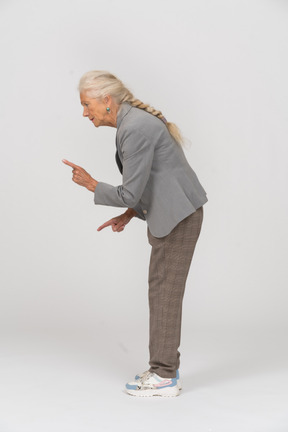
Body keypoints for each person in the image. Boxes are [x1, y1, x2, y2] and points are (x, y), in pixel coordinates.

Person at [63, 71, 208, 397]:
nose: (85, 113)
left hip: (179, 218)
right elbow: (154, 179)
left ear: (106, 101)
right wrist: (131, 213)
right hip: (175, 213)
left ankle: (165, 376)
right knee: (161, 292)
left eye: (87, 105)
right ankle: (163, 367)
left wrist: (91, 184)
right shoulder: (133, 123)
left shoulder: (135, 128)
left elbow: (131, 191)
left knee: (164, 295)